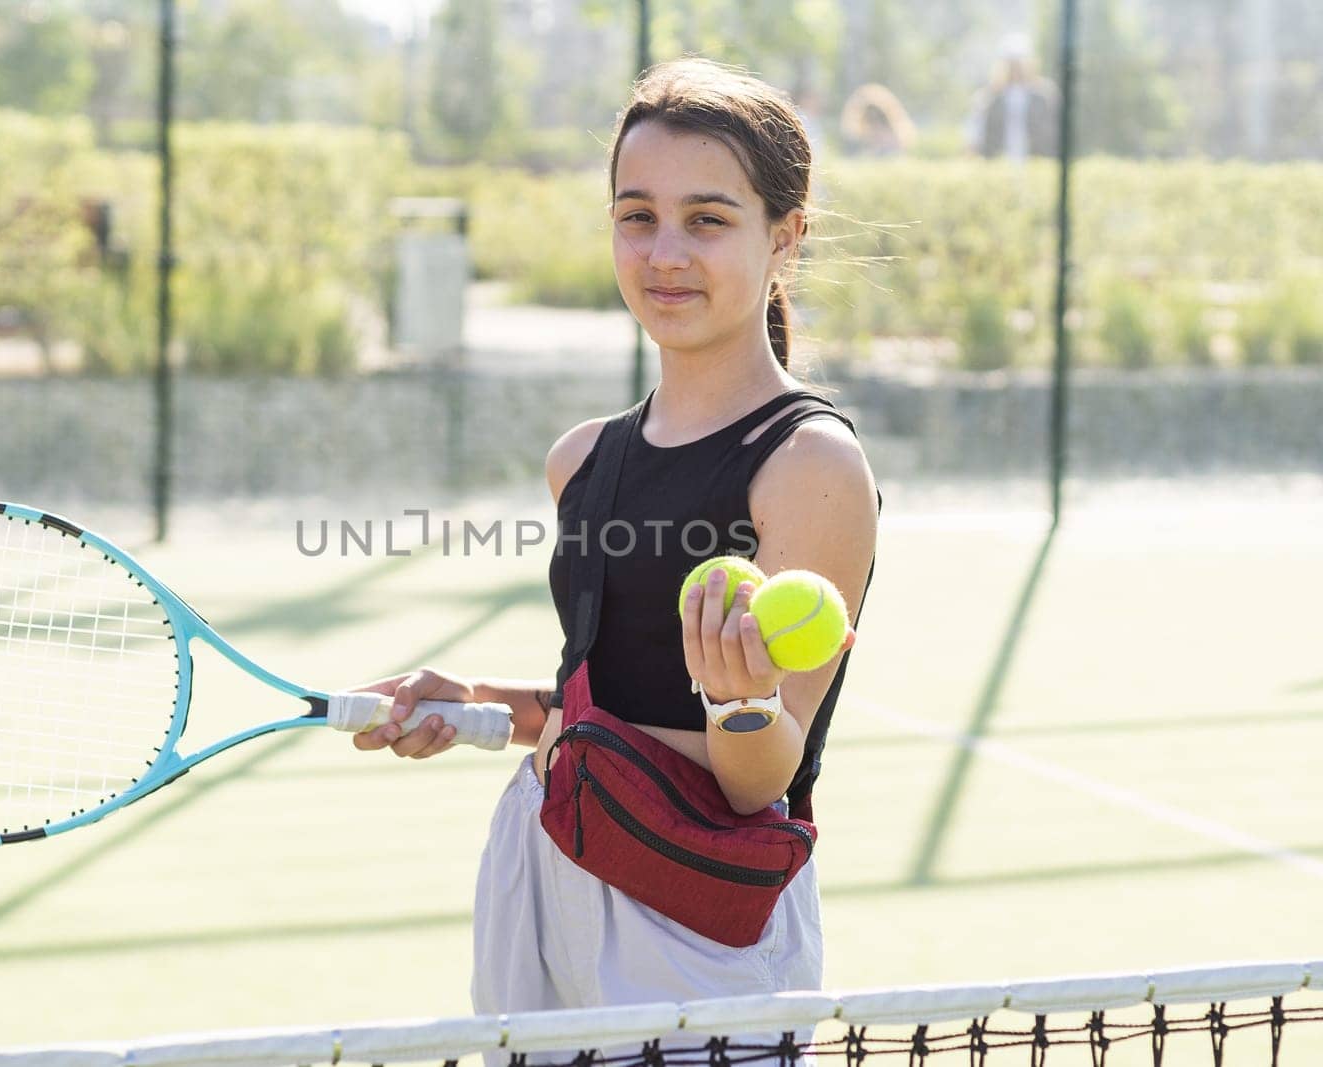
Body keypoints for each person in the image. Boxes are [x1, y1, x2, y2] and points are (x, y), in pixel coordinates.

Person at [349, 57, 879, 1052]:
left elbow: (759, 777)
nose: (664, 250)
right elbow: (612, 711)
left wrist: (740, 699)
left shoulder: (810, 465)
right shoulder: (581, 459)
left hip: (696, 922)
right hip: (543, 865)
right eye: (636, 215)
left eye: (707, 219)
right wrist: (476, 704)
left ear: (785, 236)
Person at [970, 33, 1060, 161]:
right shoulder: (989, 98)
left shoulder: (1043, 95)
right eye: (1011, 63)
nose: (1015, 67)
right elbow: (977, 134)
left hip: (1036, 161)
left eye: (1019, 62)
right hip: (999, 161)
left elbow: (1052, 133)